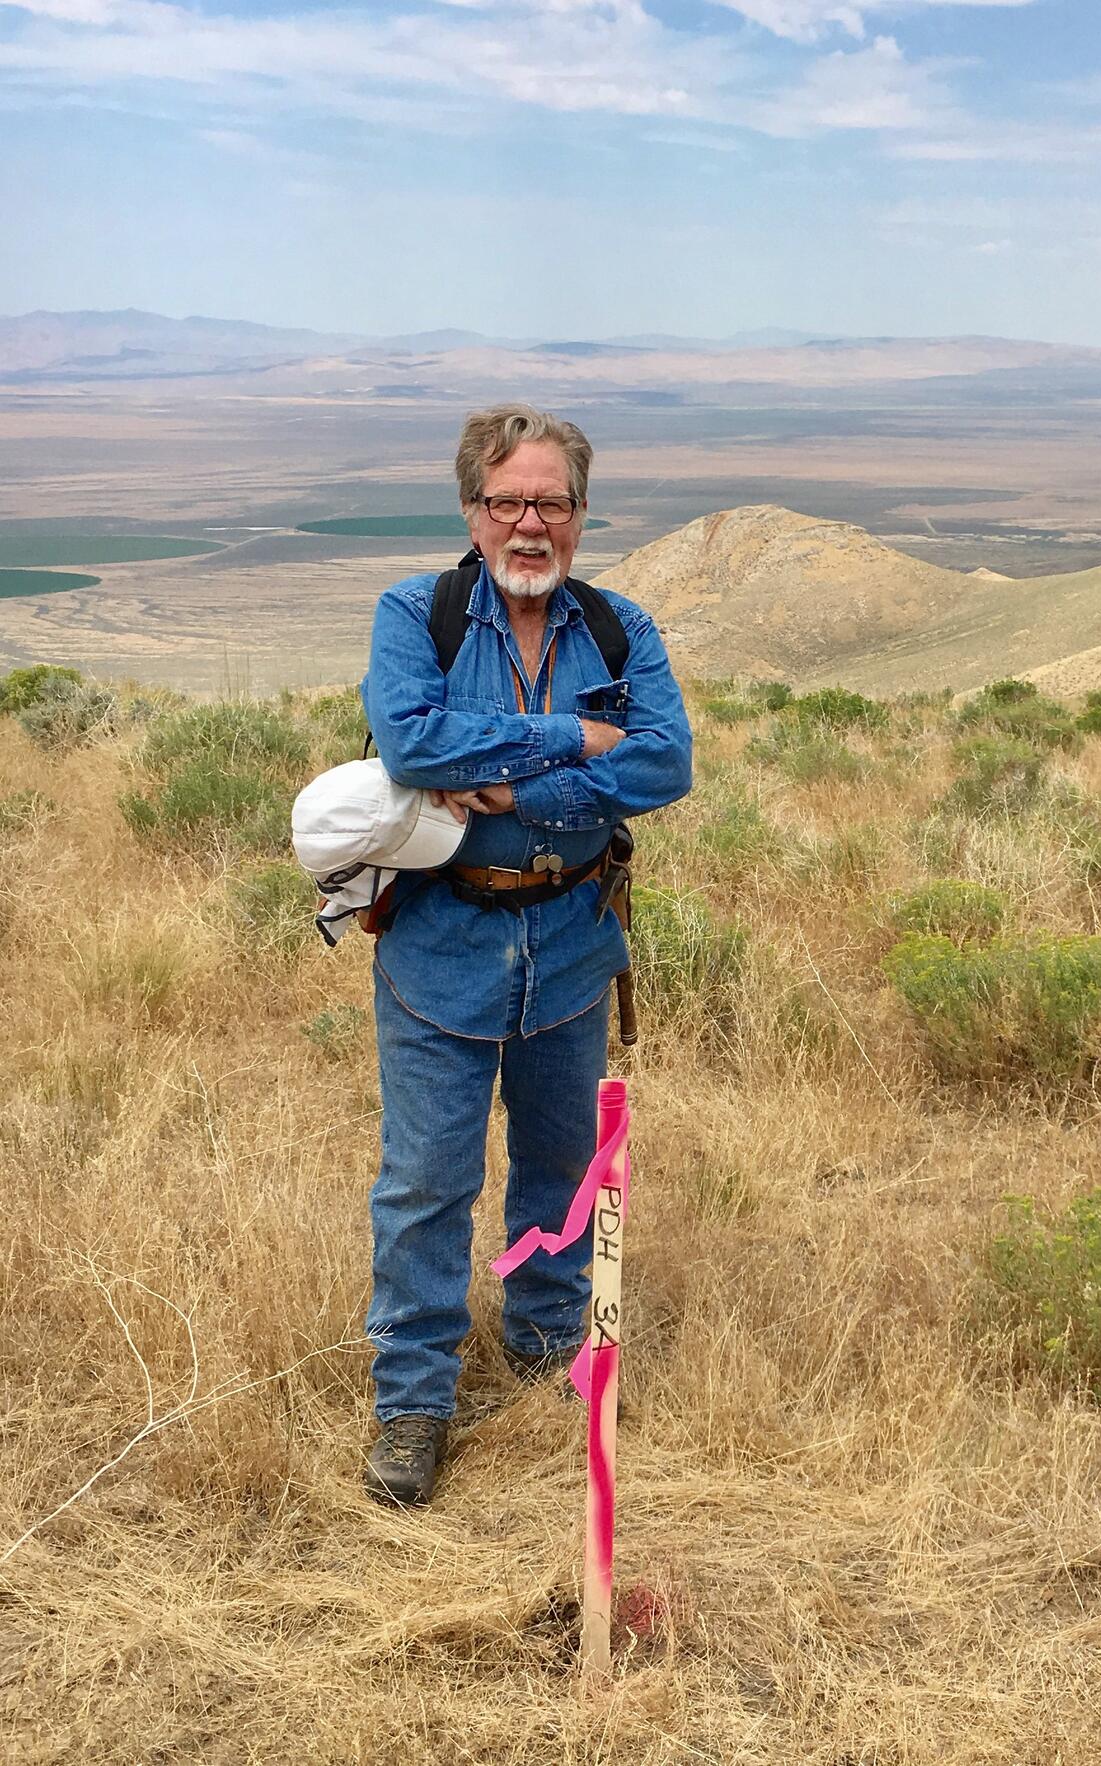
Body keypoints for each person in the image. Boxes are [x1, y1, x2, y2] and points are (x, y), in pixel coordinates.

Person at [359, 403, 692, 1505]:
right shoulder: (418, 614)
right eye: (507, 501)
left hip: (571, 937)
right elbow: (411, 738)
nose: (529, 523)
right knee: (426, 1182)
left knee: (560, 1163)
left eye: (550, 501)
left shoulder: (618, 627)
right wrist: (570, 737)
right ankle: (414, 1398)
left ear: (581, 515)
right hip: (442, 941)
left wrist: (509, 781)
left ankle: (546, 1338)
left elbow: (666, 764)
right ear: (472, 512)